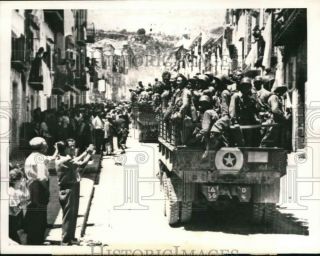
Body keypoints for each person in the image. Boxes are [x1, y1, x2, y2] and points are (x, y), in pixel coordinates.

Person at [24, 137, 58, 245]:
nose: (47, 147)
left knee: (34, 213)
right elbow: (42, 177)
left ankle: (33, 238)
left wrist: (57, 149)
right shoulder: (40, 158)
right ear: (42, 147)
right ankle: (38, 240)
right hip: (39, 187)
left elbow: (51, 158)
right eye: (46, 145)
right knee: (40, 214)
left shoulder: (31, 157)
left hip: (31, 186)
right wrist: (46, 189)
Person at [229, 77, 261, 147]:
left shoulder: (250, 98)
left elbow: (255, 110)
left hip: (248, 123)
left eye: (248, 86)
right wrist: (234, 121)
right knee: (239, 142)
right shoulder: (236, 96)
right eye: (244, 86)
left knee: (249, 142)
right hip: (239, 123)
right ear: (241, 87)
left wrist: (255, 99)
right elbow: (232, 109)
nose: (246, 88)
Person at [9, 168, 29, 244]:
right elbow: (14, 211)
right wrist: (22, 205)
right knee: (16, 243)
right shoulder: (12, 192)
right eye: (21, 180)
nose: (21, 182)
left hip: (12, 223)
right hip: (10, 223)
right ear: (16, 181)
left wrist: (24, 187)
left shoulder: (15, 190)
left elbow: (27, 196)